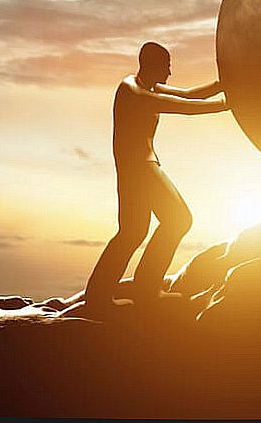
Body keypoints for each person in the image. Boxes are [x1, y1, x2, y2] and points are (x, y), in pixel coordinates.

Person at [84, 41, 228, 312]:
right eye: (167, 66)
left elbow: (188, 95)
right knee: (178, 219)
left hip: (137, 168)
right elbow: (183, 107)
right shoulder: (134, 92)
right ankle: (141, 291)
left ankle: (108, 295)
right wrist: (226, 104)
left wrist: (223, 84)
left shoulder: (145, 85)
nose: (170, 73)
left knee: (133, 232)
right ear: (151, 65)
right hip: (142, 169)